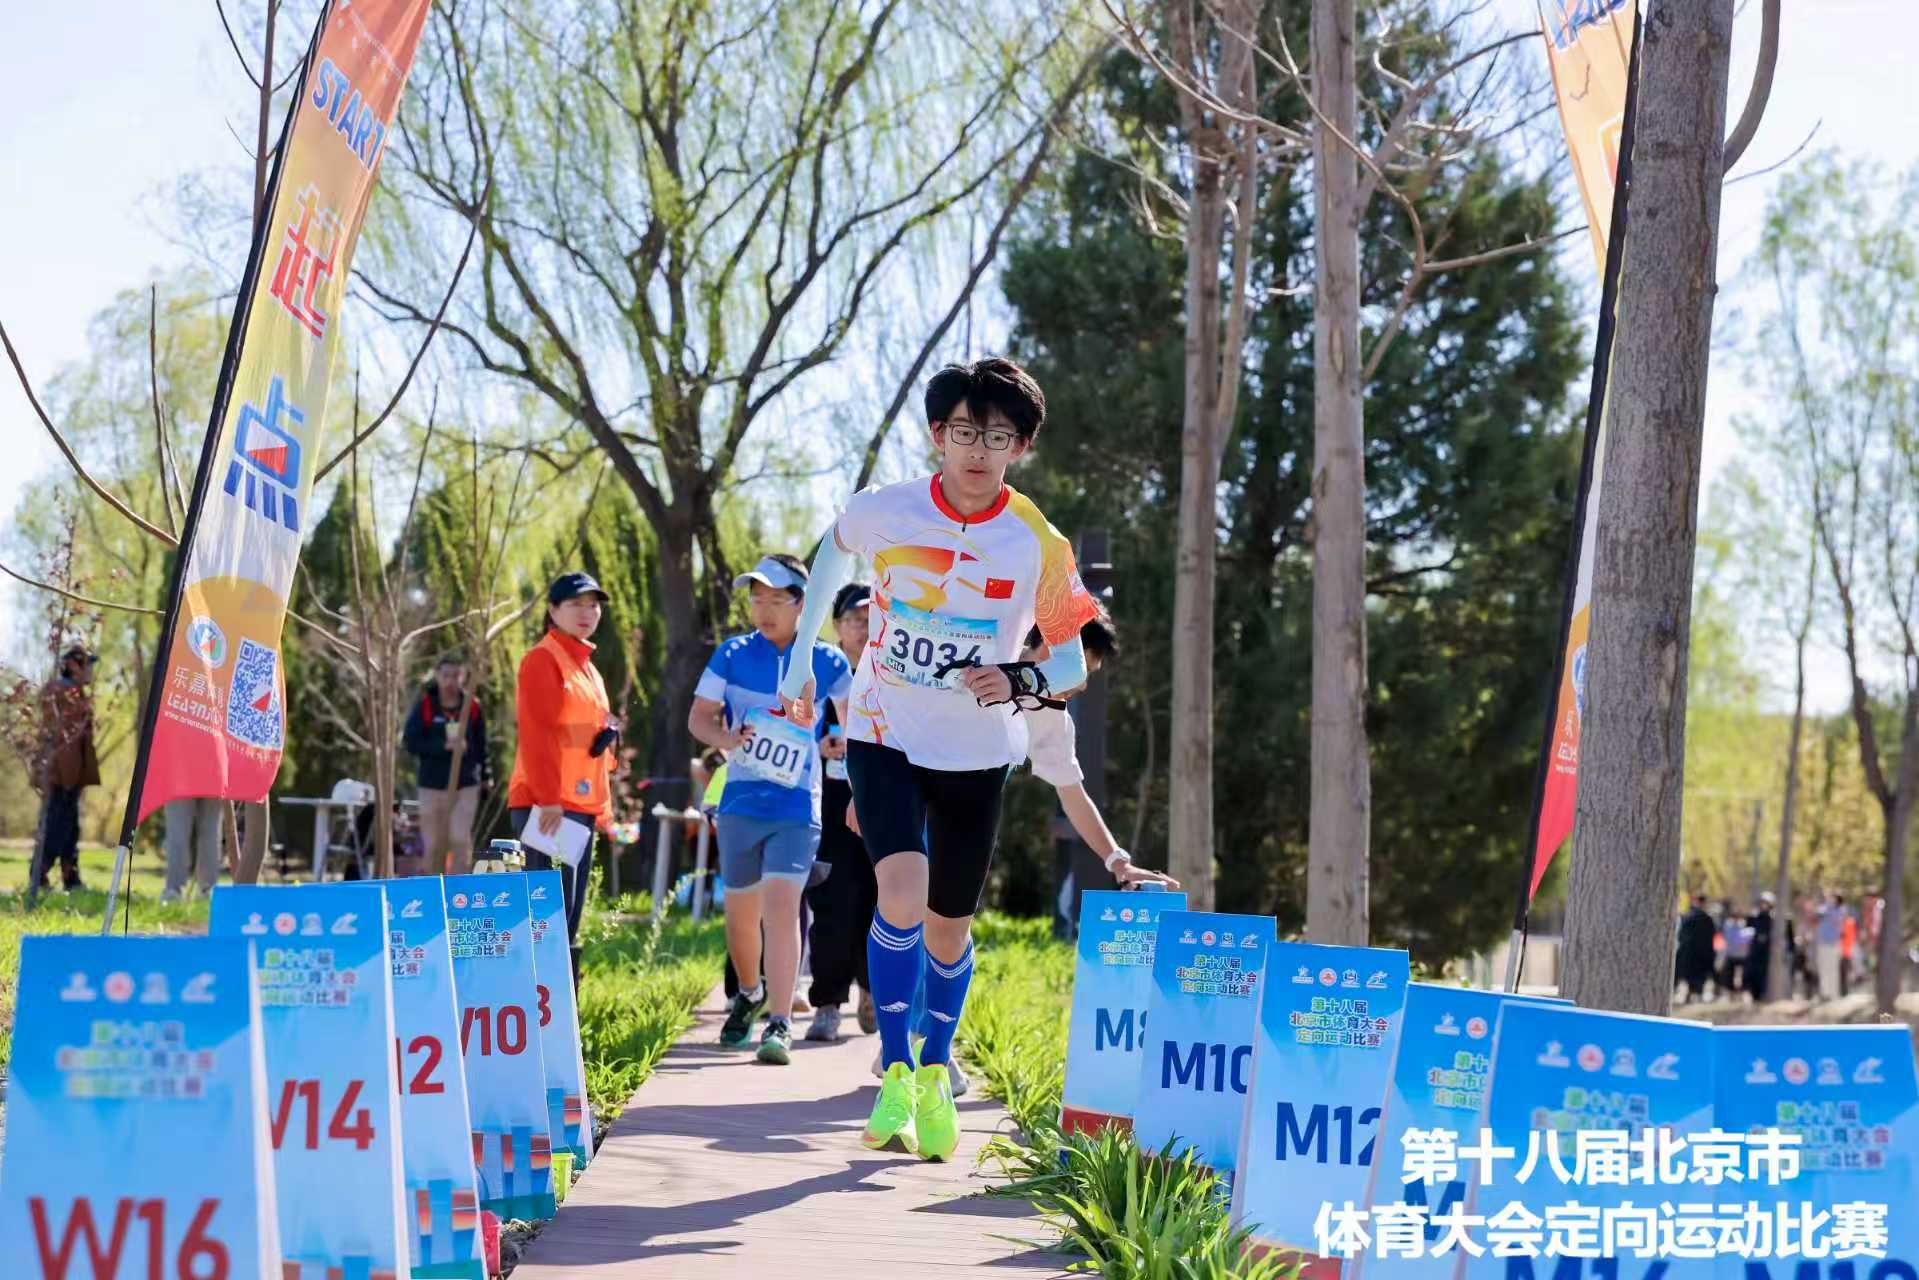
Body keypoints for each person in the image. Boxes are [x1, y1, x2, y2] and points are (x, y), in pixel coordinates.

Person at [778, 356, 1121, 1162]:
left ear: (1020, 447)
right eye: (964, 432)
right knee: (899, 891)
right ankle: (896, 1067)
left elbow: (1068, 662)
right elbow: (831, 554)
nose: (977, 450)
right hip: (883, 729)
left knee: (947, 925)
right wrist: (800, 657)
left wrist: (1017, 678)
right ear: (938, 434)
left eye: (997, 437)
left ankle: (936, 1067)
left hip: (974, 749)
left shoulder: (1036, 541)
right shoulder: (886, 509)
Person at [689, 553, 851, 1065]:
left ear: (803, 603)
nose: (764, 609)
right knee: (741, 918)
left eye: (777, 599)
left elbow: (855, 723)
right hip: (739, 803)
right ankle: (749, 991)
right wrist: (726, 738)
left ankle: (780, 1021)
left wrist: (838, 742)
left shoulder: (829, 662)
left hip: (797, 806)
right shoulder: (732, 654)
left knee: (782, 906)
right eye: (757, 598)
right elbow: (699, 718)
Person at [508, 573, 619, 953]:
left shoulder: (587, 666)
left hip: (578, 806)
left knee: (567, 918)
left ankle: (561, 990)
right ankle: (536, 990)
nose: (587, 612)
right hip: (548, 807)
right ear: (553, 611)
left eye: (593, 605)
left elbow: (586, 741)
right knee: (546, 917)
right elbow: (537, 733)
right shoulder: (543, 659)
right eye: (576, 604)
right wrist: (549, 799)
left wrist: (602, 807)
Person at [804, 581, 882, 1043]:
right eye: (855, 619)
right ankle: (827, 1005)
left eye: (872, 619)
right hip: (830, 807)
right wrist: (820, 744)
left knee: (880, 902)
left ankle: (873, 992)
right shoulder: (818, 674)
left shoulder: (891, 675)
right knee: (832, 904)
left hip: (880, 804)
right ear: (836, 626)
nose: (864, 628)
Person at [403, 653, 490, 875]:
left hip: (465, 785)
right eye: (445, 676)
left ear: (463, 677)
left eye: (455, 675)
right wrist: (442, 746)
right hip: (432, 786)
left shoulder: (472, 707)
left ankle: (458, 891)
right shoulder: (426, 706)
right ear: (437, 676)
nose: (450, 681)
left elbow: (482, 745)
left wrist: (486, 776)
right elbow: (411, 742)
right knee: (433, 845)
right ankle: (434, 888)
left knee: (459, 839)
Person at [33, 646, 100, 892]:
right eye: (87, 665)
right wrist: (65, 774)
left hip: (71, 774)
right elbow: (58, 739)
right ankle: (38, 876)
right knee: (56, 827)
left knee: (70, 829)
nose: (90, 670)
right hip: (60, 775)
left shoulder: (75, 693)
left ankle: (71, 879)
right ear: (72, 666)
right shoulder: (59, 692)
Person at [161, 797, 224, 901]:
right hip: (214, 787)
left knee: (177, 829)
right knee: (211, 830)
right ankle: (208, 890)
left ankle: (174, 890)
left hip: (179, 787)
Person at [1675, 894, 1716, 1004]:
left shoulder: (1691, 917)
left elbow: (1682, 935)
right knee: (1695, 976)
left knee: (1694, 976)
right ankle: (1694, 994)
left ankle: (1693, 994)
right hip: (1697, 953)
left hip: (1693, 953)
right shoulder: (1704, 919)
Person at [1745, 891, 1775, 1002]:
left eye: (1766, 903)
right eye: (1762, 903)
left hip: (1766, 952)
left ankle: (1763, 994)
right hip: (1755, 950)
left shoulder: (1772, 918)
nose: (1763, 905)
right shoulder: (1755, 917)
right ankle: (1755, 994)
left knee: (1764, 974)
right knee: (1753, 973)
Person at [1815, 891, 1844, 1000]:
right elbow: (1817, 912)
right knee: (1823, 968)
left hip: (1833, 944)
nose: (1831, 899)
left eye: (1833, 898)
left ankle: (1833, 993)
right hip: (1822, 942)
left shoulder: (1839, 911)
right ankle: (1824, 993)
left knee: (1833, 969)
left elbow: (1835, 919)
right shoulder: (1824, 908)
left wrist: (1827, 908)